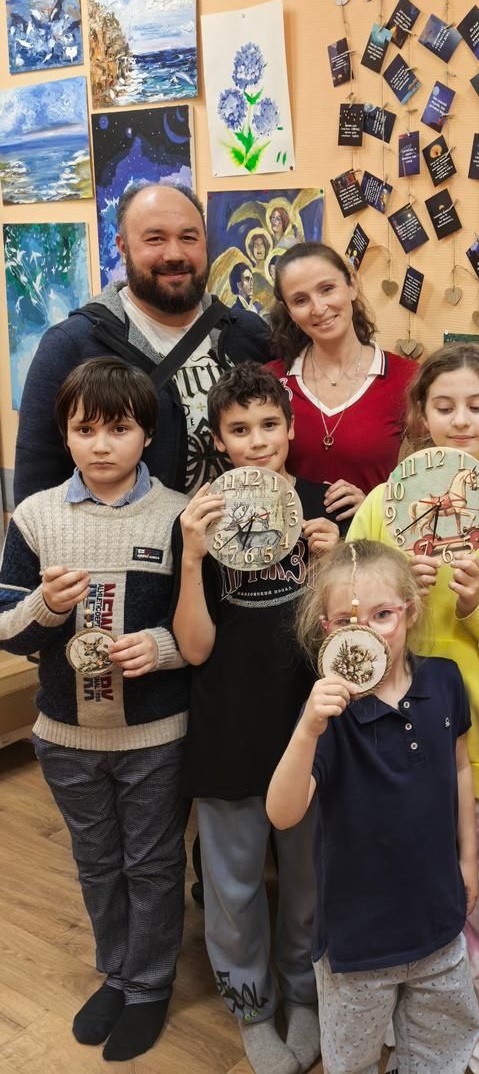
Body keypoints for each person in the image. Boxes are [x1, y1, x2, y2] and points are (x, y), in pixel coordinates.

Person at [348, 344, 479, 1074]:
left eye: (477, 405)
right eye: (443, 406)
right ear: (421, 415)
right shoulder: (384, 505)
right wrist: (393, 599)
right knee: (407, 924)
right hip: (390, 764)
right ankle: (421, 1054)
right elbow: (340, 631)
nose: (460, 420)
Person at [0, 358, 190, 1061]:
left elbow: (205, 630)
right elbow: (7, 627)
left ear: (148, 434)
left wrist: (160, 648)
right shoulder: (35, 516)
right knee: (96, 861)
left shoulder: (180, 516)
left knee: (153, 863)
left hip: (155, 734)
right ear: (64, 434)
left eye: (120, 428)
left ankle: (149, 984)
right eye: (85, 430)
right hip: (65, 734)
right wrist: (46, 606)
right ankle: (116, 973)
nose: (102, 445)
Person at [172, 363, 340, 1074]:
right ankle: (250, 1005)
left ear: (292, 428)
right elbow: (194, 647)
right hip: (228, 725)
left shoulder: (322, 505)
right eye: (239, 429)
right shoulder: (198, 517)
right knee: (234, 881)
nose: (258, 439)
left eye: (270, 424)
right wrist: (191, 558)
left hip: (309, 724)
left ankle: (305, 994)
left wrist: (335, 564)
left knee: (307, 876)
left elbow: (351, 638)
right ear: (219, 440)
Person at [266, 539, 479, 1074]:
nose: (366, 632)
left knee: (441, 1054)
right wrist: (308, 728)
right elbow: (283, 813)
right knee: (354, 1061)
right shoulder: (328, 712)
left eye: (382, 614)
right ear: (327, 630)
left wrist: (469, 861)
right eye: (346, 621)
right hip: (356, 944)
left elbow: (460, 768)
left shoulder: (445, 680)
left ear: (410, 611)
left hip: (437, 925)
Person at [14, 182, 270, 505]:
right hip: (128, 538)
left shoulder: (250, 334)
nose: (175, 254)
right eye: (155, 239)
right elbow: (35, 491)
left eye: (188, 238)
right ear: (123, 248)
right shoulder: (72, 345)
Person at [265, 242, 419, 522]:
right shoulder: (269, 382)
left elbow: (431, 482)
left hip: (372, 542)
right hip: (288, 544)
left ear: (352, 285)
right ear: (289, 311)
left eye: (327, 289)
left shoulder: (408, 378)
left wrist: (374, 506)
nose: (318, 308)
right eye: (300, 300)